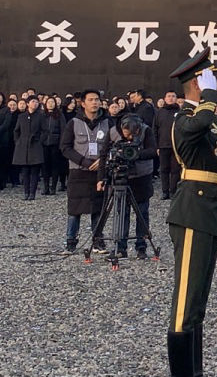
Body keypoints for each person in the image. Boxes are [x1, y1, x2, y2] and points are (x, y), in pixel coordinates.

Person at [165, 48, 217, 377]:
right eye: (209, 78)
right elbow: (199, 124)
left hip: (207, 209)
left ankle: (196, 375)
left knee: (199, 300)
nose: (215, 83)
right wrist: (207, 96)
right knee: (185, 301)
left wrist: (208, 100)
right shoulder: (185, 120)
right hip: (192, 210)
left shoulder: (205, 118)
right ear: (196, 83)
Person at [101, 113, 157, 259]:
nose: (129, 137)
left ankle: (141, 246)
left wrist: (137, 154)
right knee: (121, 213)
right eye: (127, 133)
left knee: (142, 212)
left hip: (142, 178)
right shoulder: (113, 132)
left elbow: (152, 151)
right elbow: (103, 154)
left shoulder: (146, 131)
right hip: (120, 177)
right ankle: (120, 246)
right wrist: (101, 177)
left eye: (133, 134)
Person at [60, 90, 109, 252]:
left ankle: (97, 240)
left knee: (98, 208)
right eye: (91, 100)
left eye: (97, 99)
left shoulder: (107, 122)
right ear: (83, 103)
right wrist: (84, 162)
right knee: (75, 208)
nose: (95, 102)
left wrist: (103, 161)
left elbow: (115, 145)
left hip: (100, 172)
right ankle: (71, 241)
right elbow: (65, 147)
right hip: (78, 171)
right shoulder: (73, 122)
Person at [13, 97, 47, 201]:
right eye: (33, 102)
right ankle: (26, 192)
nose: (35, 104)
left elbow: (45, 131)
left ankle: (32, 193)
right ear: (27, 104)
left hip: (35, 145)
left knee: (34, 171)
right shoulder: (21, 116)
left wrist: (39, 141)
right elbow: (16, 131)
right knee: (25, 171)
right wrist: (18, 142)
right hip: (23, 146)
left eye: (37, 102)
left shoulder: (40, 116)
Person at [156, 90, 181, 200]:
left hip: (176, 146)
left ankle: (173, 190)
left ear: (176, 98)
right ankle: (165, 191)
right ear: (165, 99)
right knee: (164, 169)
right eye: (169, 96)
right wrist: (156, 145)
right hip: (163, 145)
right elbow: (155, 129)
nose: (171, 98)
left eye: (173, 96)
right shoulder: (160, 112)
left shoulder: (181, 112)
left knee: (175, 169)